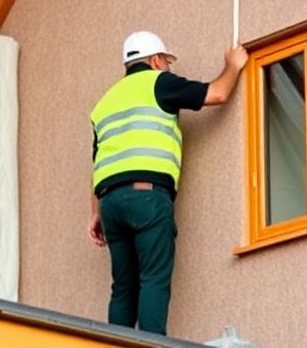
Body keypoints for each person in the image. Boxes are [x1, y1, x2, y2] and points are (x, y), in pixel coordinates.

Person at [88, 30, 248, 335]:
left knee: (123, 287)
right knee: (153, 279)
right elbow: (217, 94)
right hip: (147, 197)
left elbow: (97, 162)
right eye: (166, 61)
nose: (168, 67)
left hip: (110, 203)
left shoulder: (104, 103)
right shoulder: (159, 82)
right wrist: (233, 65)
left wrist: (95, 213)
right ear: (155, 60)